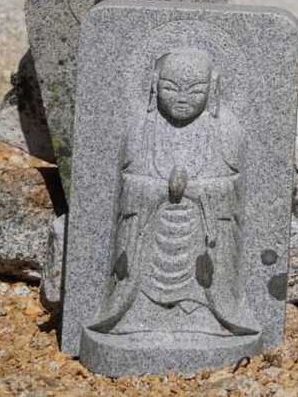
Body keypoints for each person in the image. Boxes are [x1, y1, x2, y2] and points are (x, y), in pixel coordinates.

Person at [88, 48, 259, 338]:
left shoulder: (226, 129)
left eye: (195, 91)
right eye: (170, 88)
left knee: (211, 253)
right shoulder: (141, 126)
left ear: (213, 87)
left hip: (203, 235)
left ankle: (205, 316)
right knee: (137, 254)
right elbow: (127, 185)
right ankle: (138, 312)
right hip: (149, 230)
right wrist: (160, 188)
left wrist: (193, 190)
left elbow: (234, 191)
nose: (182, 98)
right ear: (155, 85)